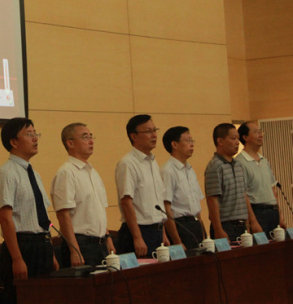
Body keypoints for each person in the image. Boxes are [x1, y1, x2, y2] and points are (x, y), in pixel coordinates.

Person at [0, 117, 58, 304]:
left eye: (36, 134)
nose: (35, 138)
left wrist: (51, 252)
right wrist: (17, 259)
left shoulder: (34, 174)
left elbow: (43, 217)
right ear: (14, 142)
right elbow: (5, 219)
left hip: (43, 245)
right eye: (29, 134)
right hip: (23, 247)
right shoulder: (6, 173)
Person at [51, 123, 115, 267]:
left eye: (91, 137)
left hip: (100, 244)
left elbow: (99, 211)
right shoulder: (66, 173)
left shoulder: (93, 172)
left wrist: (108, 239)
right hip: (81, 245)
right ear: (70, 143)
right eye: (85, 137)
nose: (91, 141)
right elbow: (63, 215)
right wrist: (75, 251)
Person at [115, 114, 168, 257]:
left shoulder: (153, 162)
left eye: (155, 130)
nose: (154, 135)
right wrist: (137, 237)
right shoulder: (128, 163)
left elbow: (157, 202)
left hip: (156, 230)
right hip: (139, 231)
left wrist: (162, 233)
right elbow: (126, 202)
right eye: (148, 131)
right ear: (134, 136)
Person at [204, 123, 262, 241]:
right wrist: (218, 229)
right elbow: (212, 200)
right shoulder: (215, 166)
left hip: (242, 226)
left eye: (237, 138)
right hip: (226, 226)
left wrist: (252, 221)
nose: (237, 142)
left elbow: (243, 194)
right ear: (220, 141)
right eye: (233, 138)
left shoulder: (238, 165)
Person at [235, 121, 285, 238]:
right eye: (256, 132)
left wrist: (280, 216)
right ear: (245, 137)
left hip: (273, 211)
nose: (260, 135)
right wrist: (253, 221)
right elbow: (243, 194)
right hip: (257, 213)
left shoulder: (264, 160)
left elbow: (272, 189)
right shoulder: (239, 162)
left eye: (260, 132)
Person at [160, 126, 206, 250]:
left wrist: (203, 234)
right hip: (180, 226)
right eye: (188, 140)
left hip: (195, 225)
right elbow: (166, 210)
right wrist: (177, 241)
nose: (192, 144)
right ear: (174, 144)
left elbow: (197, 207)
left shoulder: (190, 170)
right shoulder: (167, 171)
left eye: (192, 140)